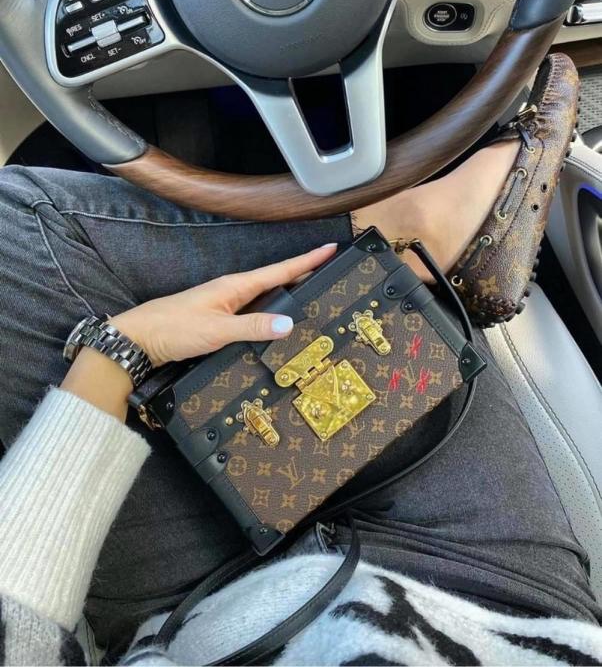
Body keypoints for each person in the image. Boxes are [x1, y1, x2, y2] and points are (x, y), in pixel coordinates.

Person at [0, 54, 601, 666]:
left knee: (10, 230)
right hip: (474, 605)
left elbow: (17, 626)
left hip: (189, 617)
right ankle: (405, 237)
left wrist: (123, 350)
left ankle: (398, 238)